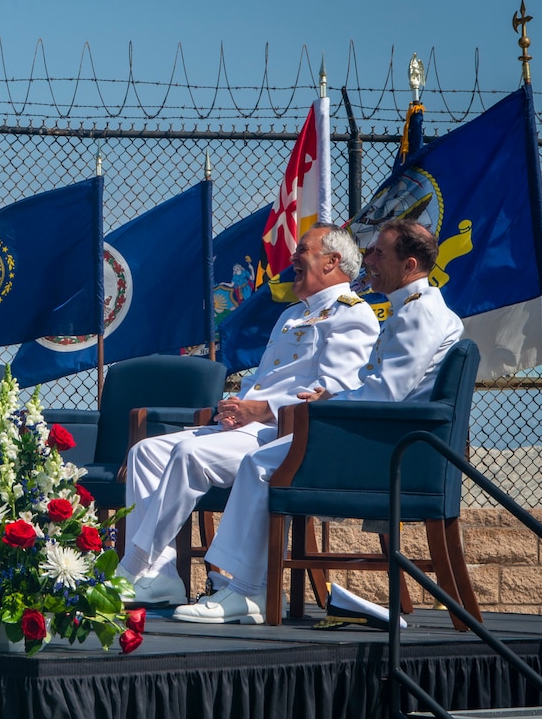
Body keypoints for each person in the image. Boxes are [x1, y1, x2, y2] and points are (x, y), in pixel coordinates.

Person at [174, 219, 462, 624]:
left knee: (260, 464)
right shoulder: (415, 309)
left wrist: (326, 404)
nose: (368, 259)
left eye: (379, 253)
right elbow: (381, 389)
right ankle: (238, 587)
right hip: (388, 438)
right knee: (263, 460)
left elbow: (386, 396)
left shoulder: (419, 315)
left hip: (386, 449)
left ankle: (244, 589)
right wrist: (331, 398)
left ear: (410, 264)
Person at [120, 224, 380, 606]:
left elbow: (333, 392)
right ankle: (160, 577)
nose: (292, 258)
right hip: (247, 428)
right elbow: (261, 380)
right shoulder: (292, 315)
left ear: (331, 261)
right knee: (145, 453)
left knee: (189, 455)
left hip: (282, 436)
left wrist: (262, 410)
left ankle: (133, 563)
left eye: (303, 250)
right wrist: (235, 407)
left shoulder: (352, 316)